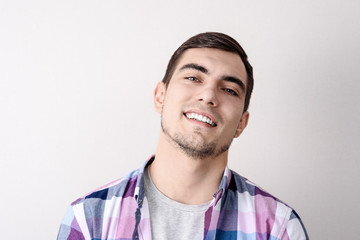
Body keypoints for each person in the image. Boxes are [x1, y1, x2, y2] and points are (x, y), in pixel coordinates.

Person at [57, 32, 309, 240]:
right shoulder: (89, 219)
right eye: (192, 78)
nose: (208, 96)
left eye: (229, 90)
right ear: (160, 96)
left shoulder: (278, 227)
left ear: (241, 123)